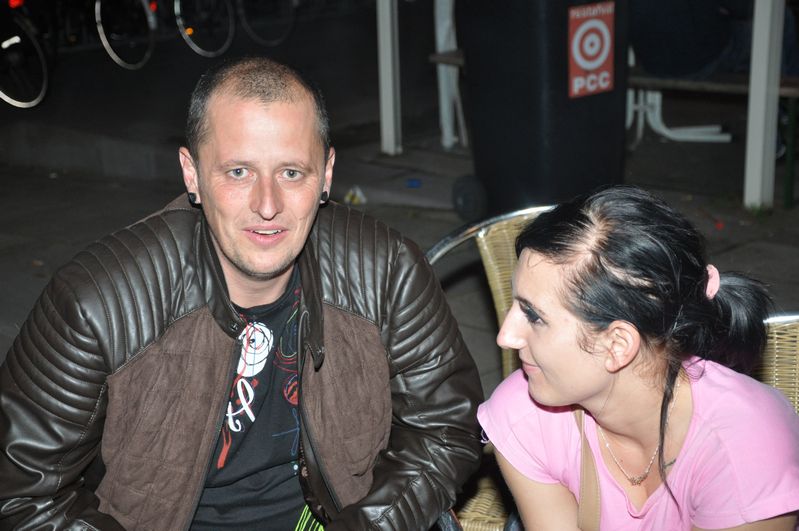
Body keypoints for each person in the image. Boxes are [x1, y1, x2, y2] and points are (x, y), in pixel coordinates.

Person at [0, 57, 483, 530]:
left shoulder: (386, 270)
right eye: (238, 172)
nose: (267, 205)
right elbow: (21, 495)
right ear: (191, 173)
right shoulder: (96, 303)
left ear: (327, 174)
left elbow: (444, 429)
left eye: (291, 172)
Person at [478, 186, 799, 529]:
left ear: (617, 345)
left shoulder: (744, 448)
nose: (505, 337)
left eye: (534, 316)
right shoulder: (522, 416)